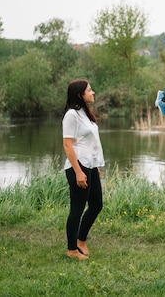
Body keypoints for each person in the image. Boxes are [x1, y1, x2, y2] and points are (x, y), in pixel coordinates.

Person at [62, 79, 105, 260]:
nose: (92, 92)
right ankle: (72, 250)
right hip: (78, 166)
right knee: (77, 209)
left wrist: (95, 166)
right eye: (89, 90)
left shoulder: (84, 113)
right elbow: (67, 144)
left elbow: (90, 143)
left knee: (96, 205)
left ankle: (81, 240)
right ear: (80, 94)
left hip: (90, 165)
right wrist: (78, 171)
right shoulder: (71, 115)